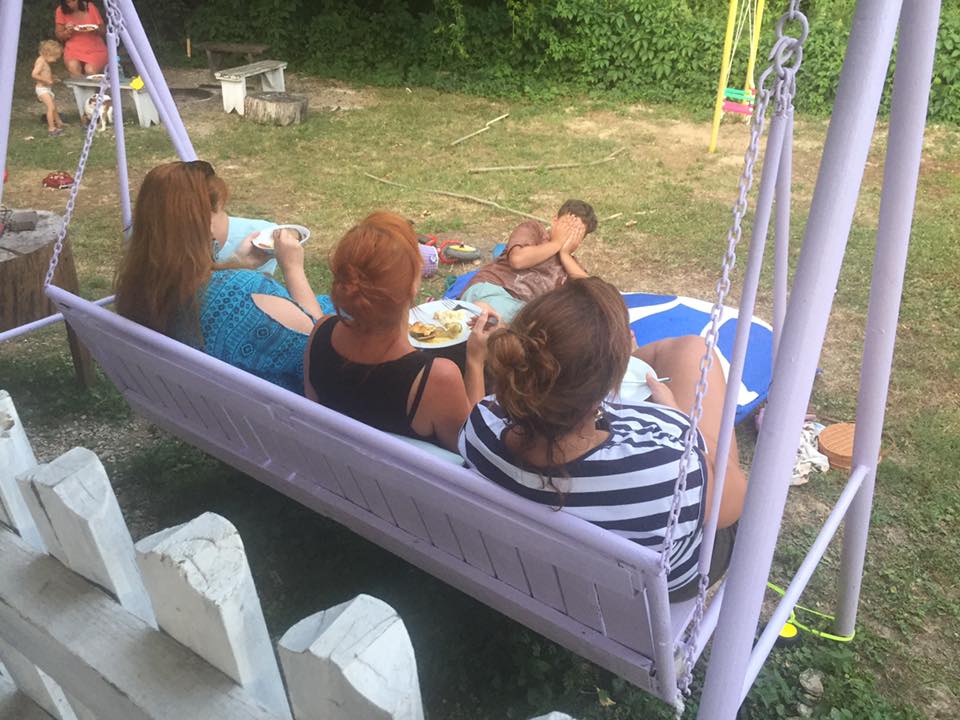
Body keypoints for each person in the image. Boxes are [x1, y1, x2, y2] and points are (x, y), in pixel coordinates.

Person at [458, 277, 748, 600]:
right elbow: (735, 502)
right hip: (657, 589)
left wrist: (475, 360)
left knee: (690, 350)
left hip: (538, 568)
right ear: (610, 389)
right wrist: (680, 416)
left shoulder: (481, 425)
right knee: (697, 353)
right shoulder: (668, 469)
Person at [115, 161, 328, 394]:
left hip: (202, 404)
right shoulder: (246, 297)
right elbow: (323, 351)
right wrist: (293, 268)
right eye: (221, 211)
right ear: (206, 224)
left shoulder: (142, 292)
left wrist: (236, 263)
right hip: (295, 405)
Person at [304, 211, 496, 452]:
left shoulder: (320, 331)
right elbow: (472, 449)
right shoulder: (437, 379)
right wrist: (476, 360)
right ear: (413, 285)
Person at [458, 199, 597, 323]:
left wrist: (565, 255)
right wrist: (556, 243)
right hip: (493, 291)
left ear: (580, 241)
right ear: (555, 220)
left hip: (526, 313)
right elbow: (518, 260)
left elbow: (595, 295)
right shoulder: (534, 230)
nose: (568, 235)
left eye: (575, 233)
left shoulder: (571, 266)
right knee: (496, 318)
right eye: (566, 228)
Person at [55, 0, 109, 78]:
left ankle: (92, 85)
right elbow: (59, 35)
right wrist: (67, 31)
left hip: (95, 47)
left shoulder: (90, 7)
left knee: (90, 70)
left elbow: (103, 30)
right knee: (73, 67)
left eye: (74, 1)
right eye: (68, 2)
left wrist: (95, 29)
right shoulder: (61, 10)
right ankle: (79, 86)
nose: (72, 4)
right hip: (73, 48)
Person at [32, 40, 65, 137]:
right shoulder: (40, 62)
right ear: (47, 54)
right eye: (55, 57)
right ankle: (51, 129)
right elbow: (34, 74)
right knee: (51, 107)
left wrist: (53, 78)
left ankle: (59, 122)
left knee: (54, 106)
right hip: (42, 89)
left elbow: (44, 73)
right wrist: (46, 80)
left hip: (47, 89)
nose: (55, 60)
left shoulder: (44, 61)